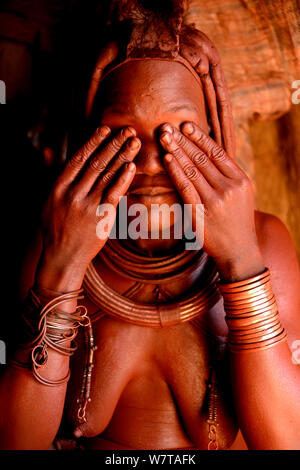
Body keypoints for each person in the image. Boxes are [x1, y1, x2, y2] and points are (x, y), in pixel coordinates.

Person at [0, 0, 300, 450]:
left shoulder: (262, 243)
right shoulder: (55, 244)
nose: (151, 161)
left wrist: (240, 261)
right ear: (87, 141)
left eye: (178, 129)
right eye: (121, 131)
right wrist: (63, 268)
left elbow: (286, 440)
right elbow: (18, 443)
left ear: (214, 136)